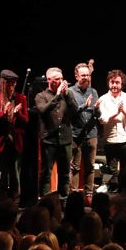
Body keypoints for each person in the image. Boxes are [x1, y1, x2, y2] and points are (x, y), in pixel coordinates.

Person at [35, 67, 78, 203]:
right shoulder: (41, 96)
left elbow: (75, 109)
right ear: (49, 80)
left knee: (65, 174)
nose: (60, 81)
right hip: (49, 140)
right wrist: (58, 95)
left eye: (61, 78)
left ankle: (63, 201)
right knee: (46, 173)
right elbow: (43, 110)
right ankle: (46, 202)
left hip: (65, 140)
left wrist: (67, 95)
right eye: (57, 79)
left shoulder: (67, 94)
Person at [0, 69, 28, 201]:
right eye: (9, 84)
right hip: (1, 143)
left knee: (15, 174)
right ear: (3, 84)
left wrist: (18, 114)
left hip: (16, 143)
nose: (12, 86)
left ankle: (14, 201)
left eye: (14, 83)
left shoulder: (21, 98)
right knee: (2, 174)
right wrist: (3, 113)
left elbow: (26, 121)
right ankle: (1, 200)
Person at [98, 69, 126, 193]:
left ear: (122, 84)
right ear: (109, 83)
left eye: (117, 83)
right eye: (112, 82)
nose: (114, 85)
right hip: (111, 140)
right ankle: (113, 195)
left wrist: (123, 111)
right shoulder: (103, 99)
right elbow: (102, 119)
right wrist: (115, 113)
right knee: (112, 170)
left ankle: (124, 195)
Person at [69, 61, 100, 203]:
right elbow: (70, 112)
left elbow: (96, 114)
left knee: (90, 167)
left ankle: (89, 195)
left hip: (91, 134)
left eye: (87, 75)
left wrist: (97, 109)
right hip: (76, 135)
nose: (86, 77)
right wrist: (84, 105)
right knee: (75, 167)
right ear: (76, 76)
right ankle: (74, 195)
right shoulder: (70, 92)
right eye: (83, 75)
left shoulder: (93, 92)